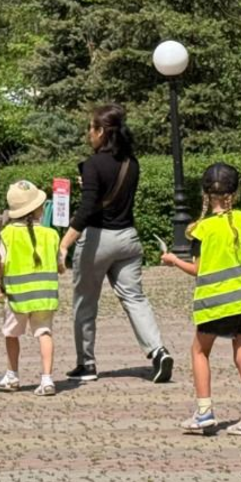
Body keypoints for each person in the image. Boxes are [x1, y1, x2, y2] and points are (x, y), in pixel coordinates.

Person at [59, 104, 175, 384]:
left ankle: (86, 364)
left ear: (101, 131)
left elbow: (88, 208)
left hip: (98, 240)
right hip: (128, 239)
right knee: (135, 298)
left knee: (85, 302)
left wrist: (64, 243)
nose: (88, 133)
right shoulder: (131, 163)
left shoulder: (93, 164)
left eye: (91, 128)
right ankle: (158, 351)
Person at [161, 163, 241, 436]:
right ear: (236, 191)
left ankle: (204, 412)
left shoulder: (202, 229)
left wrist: (174, 260)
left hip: (214, 304)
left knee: (199, 351)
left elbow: (197, 269)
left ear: (205, 194)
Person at [0, 180, 63, 395]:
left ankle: (12, 376)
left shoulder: (7, 234)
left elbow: (1, 264)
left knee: (11, 334)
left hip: (17, 296)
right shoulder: (51, 234)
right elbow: (60, 266)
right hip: (45, 296)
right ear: (37, 208)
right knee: (44, 333)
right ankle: (47, 380)